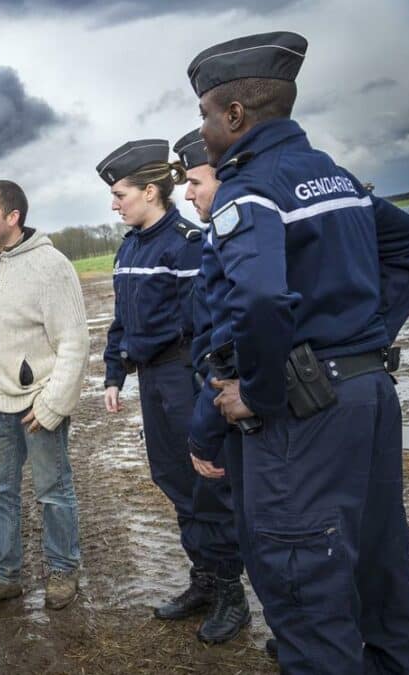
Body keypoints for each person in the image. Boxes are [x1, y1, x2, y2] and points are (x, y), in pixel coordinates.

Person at [186, 31, 409, 673]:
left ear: (235, 116)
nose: (205, 129)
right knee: (382, 577)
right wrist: (362, 335)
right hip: (367, 398)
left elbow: (261, 301)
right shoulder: (335, 176)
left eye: (205, 116)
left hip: (303, 415)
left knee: (306, 594)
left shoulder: (250, 188)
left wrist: (262, 392)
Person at [97, 139, 247, 641]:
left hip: (185, 375)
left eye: (120, 194)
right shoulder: (130, 245)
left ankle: (231, 593)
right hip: (152, 380)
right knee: (171, 477)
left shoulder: (185, 242)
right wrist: (115, 371)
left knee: (207, 483)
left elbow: (205, 321)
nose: (115, 204)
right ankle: (203, 579)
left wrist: (208, 382)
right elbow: (123, 318)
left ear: (150, 191)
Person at [0, 179, 88, 612]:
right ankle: (3, 576)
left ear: (12, 217)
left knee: (53, 489)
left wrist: (52, 404)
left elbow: (74, 342)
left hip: (37, 402)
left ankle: (62, 569)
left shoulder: (51, 265)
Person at [174, 129, 255, 645]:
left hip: (234, 391)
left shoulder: (236, 229)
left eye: (194, 180)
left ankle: (238, 598)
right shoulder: (211, 236)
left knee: (245, 508)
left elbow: (238, 328)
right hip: (207, 381)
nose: (188, 192)